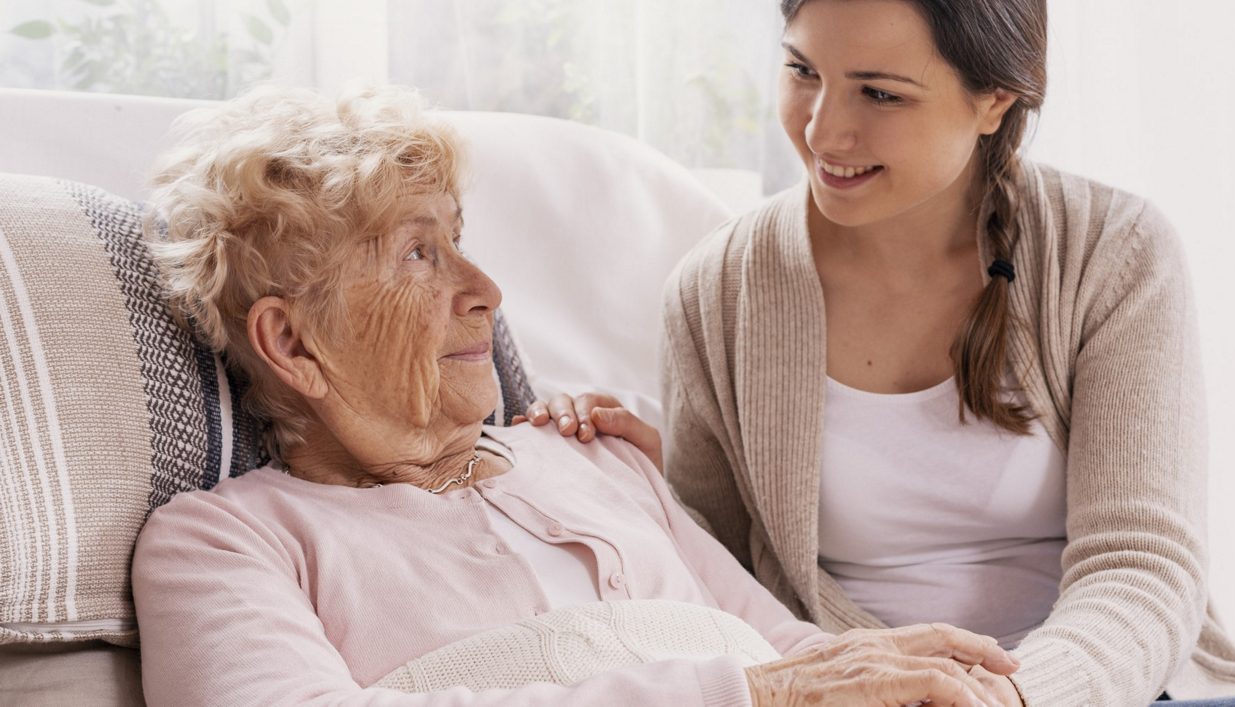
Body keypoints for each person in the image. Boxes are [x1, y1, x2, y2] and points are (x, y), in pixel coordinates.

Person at [128, 84, 1025, 707]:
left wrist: (914, 673)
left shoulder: (597, 458)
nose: (486, 289)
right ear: (293, 341)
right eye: (417, 253)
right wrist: (747, 693)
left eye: (459, 239)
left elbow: (788, 652)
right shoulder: (222, 542)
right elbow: (773, 685)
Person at [521, 1, 1235, 705]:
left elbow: (1143, 566)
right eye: (803, 71)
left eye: (879, 93)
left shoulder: (1114, 253)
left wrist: (1013, 695)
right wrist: (635, 488)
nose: (822, 132)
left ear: (995, 100)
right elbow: (721, 590)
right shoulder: (717, 292)